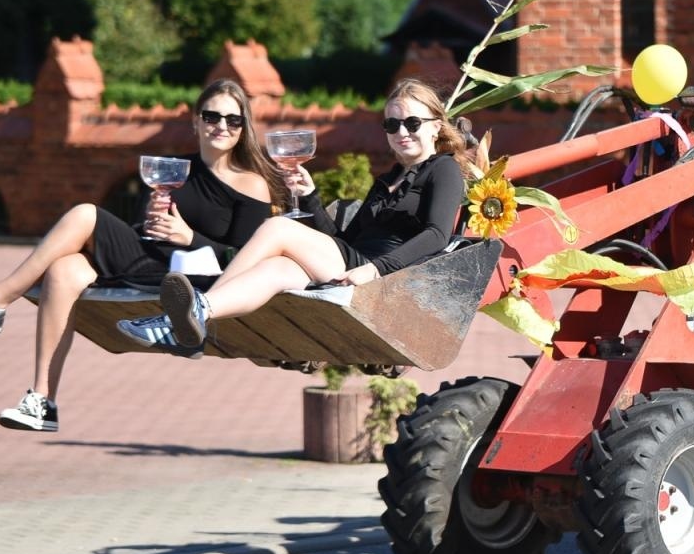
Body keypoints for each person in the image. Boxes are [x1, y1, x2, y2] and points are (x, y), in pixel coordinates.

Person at [0, 80, 285, 431]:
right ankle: (41, 401)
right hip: (148, 259)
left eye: (233, 119)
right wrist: (150, 217)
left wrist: (190, 238)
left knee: (85, 214)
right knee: (63, 270)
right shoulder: (174, 169)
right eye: (212, 116)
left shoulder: (251, 182)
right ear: (195, 121)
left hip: (189, 281)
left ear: (243, 128)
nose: (222, 126)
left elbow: (245, 258)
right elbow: (144, 230)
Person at [116, 78, 468, 353]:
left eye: (412, 123)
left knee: (277, 227)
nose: (402, 132)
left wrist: (375, 269)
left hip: (384, 277)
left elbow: (437, 235)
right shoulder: (386, 180)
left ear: (436, 126)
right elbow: (343, 242)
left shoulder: (442, 169)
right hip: (352, 263)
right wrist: (310, 196)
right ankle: (193, 319)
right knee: (276, 269)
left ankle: (186, 318)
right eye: (392, 125)